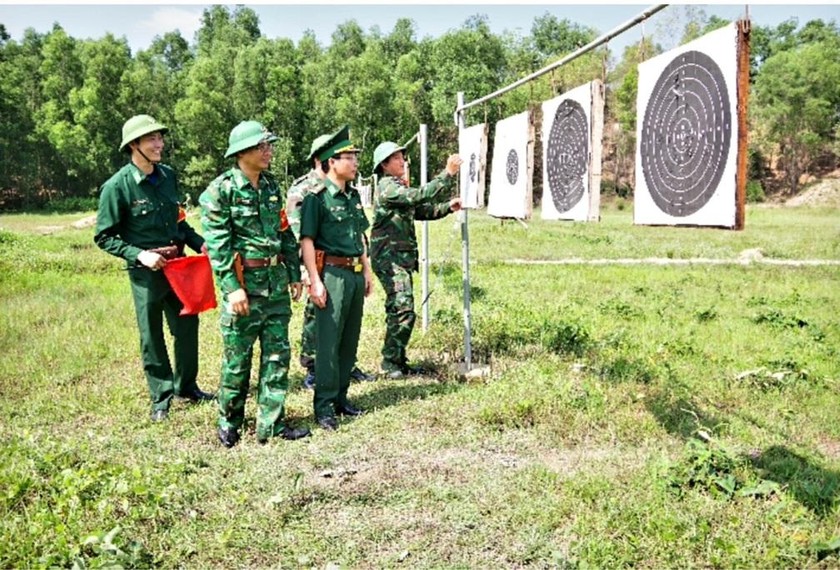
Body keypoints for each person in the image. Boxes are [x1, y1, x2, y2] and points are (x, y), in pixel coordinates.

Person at [94, 114, 214, 423]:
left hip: (179, 267)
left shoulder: (168, 176)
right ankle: (161, 396)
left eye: (160, 138)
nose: (159, 144)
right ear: (134, 145)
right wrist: (139, 254)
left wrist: (199, 242)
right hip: (146, 273)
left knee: (187, 325)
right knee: (152, 336)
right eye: (152, 139)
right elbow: (104, 236)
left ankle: (186, 387)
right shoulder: (117, 187)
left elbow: (179, 221)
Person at [199, 120, 310, 447]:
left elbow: (283, 232)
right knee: (238, 358)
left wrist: (293, 273)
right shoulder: (220, 191)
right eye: (262, 146)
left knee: (277, 357)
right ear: (242, 152)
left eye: (269, 145)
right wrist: (232, 287)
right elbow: (219, 246)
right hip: (244, 285)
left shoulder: (272, 186)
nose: (268, 151)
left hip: (274, 285)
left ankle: (270, 424)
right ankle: (229, 421)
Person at [287, 134, 375, 390]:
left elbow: (355, 230)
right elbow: (298, 231)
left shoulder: (348, 191)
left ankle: (342, 364)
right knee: (317, 314)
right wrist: (306, 269)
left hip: (344, 265)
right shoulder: (305, 189)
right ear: (322, 159)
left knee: (343, 319)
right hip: (316, 261)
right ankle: (315, 365)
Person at [369, 141, 462, 379]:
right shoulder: (387, 187)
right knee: (403, 308)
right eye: (397, 158)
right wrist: (447, 174)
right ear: (384, 165)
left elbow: (421, 210)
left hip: (400, 259)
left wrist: (447, 208)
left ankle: (397, 361)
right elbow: (419, 195)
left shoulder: (397, 188)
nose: (402, 162)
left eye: (402, 157)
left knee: (402, 309)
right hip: (389, 260)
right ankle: (390, 364)